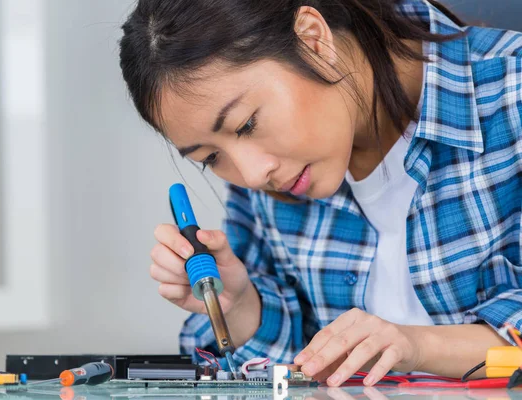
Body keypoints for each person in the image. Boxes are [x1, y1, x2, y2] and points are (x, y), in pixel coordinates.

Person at [119, 0, 522, 387]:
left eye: (246, 125)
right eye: (210, 157)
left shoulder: (512, 95)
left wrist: (416, 345)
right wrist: (239, 305)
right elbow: (284, 373)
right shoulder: (267, 180)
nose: (254, 174)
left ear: (314, 40)